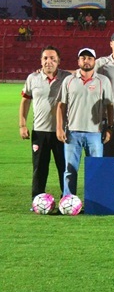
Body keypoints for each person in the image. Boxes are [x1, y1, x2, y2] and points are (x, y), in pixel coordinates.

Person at [56, 48, 114, 196]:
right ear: (78, 61)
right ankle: (68, 201)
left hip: (95, 133)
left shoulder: (103, 81)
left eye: (89, 58)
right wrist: (59, 128)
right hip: (72, 132)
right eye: (83, 58)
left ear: (95, 61)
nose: (86, 61)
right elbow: (61, 105)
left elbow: (110, 106)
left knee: (96, 171)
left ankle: (95, 201)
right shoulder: (69, 80)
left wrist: (109, 128)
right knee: (70, 170)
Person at [19, 46, 71, 199]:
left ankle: (67, 199)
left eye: (53, 58)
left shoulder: (67, 78)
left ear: (59, 61)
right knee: (39, 168)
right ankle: (37, 199)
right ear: (41, 61)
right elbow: (25, 101)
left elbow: (81, 72)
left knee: (64, 168)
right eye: (46, 58)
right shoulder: (32, 78)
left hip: (61, 131)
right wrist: (22, 124)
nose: (49, 61)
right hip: (39, 132)